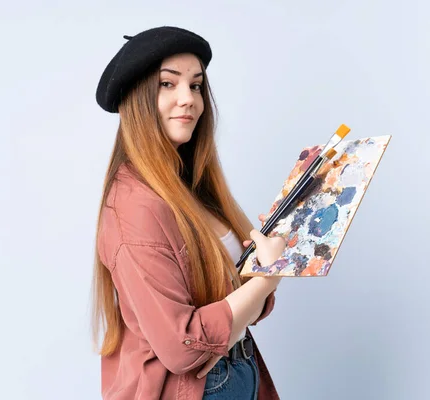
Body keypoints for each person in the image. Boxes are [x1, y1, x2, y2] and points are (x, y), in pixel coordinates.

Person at [91, 26, 287, 399]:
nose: (189, 99)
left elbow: (238, 305)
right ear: (137, 98)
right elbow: (182, 346)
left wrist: (258, 265)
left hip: (238, 371)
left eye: (196, 86)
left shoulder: (193, 189)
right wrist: (267, 277)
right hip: (199, 388)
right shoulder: (135, 206)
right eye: (168, 84)